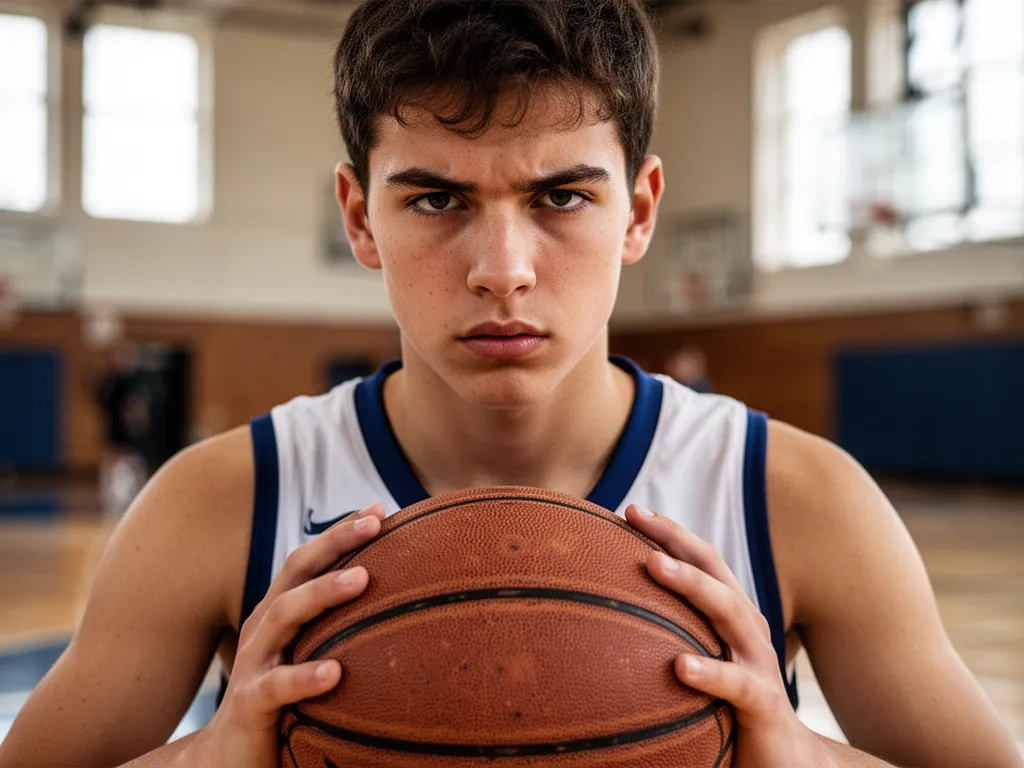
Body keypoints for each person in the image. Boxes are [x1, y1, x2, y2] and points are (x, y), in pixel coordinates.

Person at [2, 2, 1020, 766]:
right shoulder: (220, 502)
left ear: (639, 210)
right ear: (359, 218)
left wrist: (799, 756)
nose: (502, 267)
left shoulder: (794, 497)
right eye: (437, 197)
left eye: (561, 195)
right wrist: (209, 756)